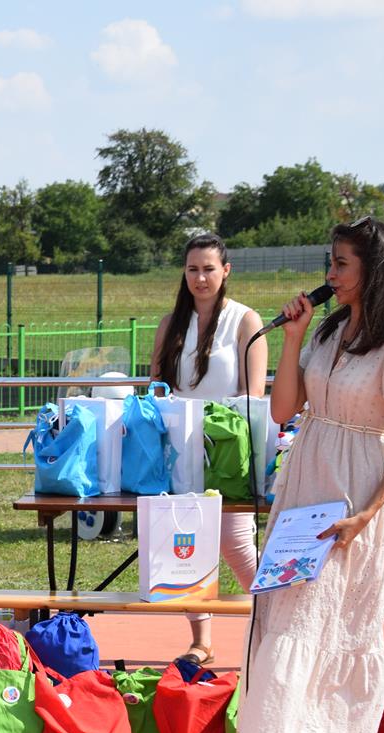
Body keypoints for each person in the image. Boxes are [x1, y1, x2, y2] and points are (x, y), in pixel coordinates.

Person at [239, 217, 384, 733]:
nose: (330, 274)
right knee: (290, 617)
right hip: (305, 484)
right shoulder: (328, 331)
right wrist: (293, 338)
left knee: (342, 625)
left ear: (371, 272)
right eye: (331, 261)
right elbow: (283, 409)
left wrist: (369, 515)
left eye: (341, 264)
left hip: (353, 495)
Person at [149, 233, 267, 667]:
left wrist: (215, 423)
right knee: (188, 544)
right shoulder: (170, 323)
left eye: (209, 268)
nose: (200, 277)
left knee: (237, 544)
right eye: (193, 268)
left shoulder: (246, 321)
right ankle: (201, 641)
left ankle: (273, 627)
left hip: (227, 450)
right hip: (179, 450)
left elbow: (254, 392)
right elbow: (157, 388)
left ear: (226, 271)